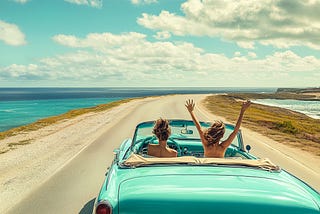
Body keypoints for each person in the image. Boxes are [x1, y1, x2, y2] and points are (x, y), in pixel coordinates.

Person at [185, 99, 251, 158]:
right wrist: (242, 111)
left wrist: (191, 112)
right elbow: (235, 131)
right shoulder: (223, 147)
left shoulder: (206, 145)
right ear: (222, 135)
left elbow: (198, 127)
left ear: (210, 132)